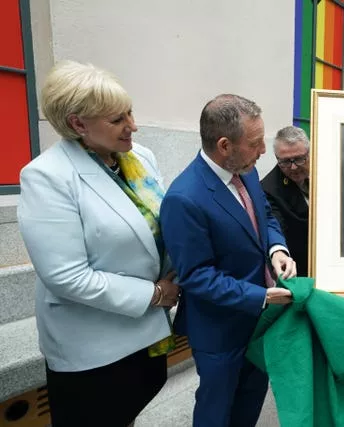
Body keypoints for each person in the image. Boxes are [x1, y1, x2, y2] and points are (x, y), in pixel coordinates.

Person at [17, 61, 180, 427]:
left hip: (148, 332)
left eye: (130, 112)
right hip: (94, 350)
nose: (133, 126)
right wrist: (155, 294)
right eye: (117, 119)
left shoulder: (139, 157)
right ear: (78, 124)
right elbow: (67, 277)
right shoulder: (47, 177)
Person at [159, 94, 296, 427]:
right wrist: (261, 296)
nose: (264, 150)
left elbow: (265, 215)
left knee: (250, 401)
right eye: (255, 143)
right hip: (220, 331)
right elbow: (196, 276)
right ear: (224, 145)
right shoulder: (184, 199)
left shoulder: (245, 170)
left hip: (259, 323)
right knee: (216, 410)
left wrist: (277, 249)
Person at [261, 126, 310, 276]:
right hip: (301, 269)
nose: (294, 167)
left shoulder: (331, 169)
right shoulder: (269, 189)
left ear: (310, 153)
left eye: (300, 159)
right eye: (285, 162)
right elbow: (276, 228)